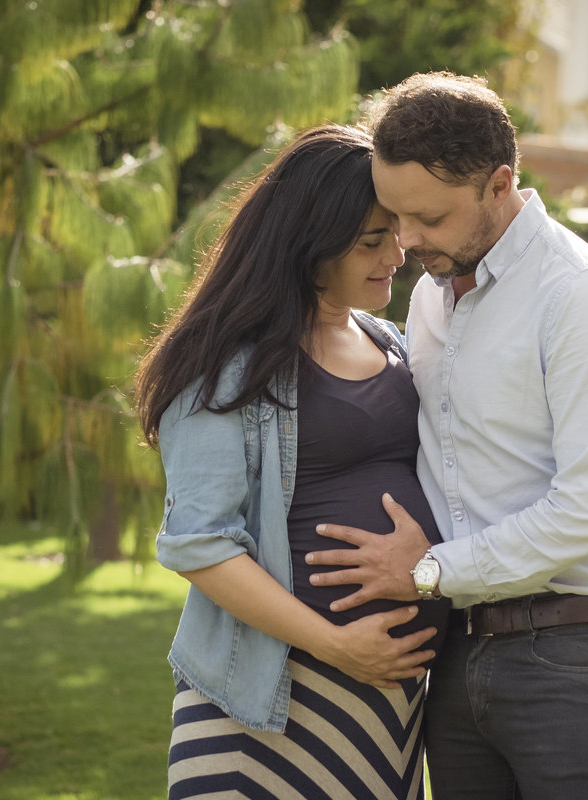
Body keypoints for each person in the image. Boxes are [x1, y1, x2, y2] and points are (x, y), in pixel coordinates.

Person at [306, 72, 588, 798]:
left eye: (428, 218)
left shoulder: (579, 297)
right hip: (459, 652)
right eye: (396, 216)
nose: (406, 241)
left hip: (576, 652)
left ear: (499, 186)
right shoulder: (434, 292)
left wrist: (430, 570)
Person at [134, 123, 451, 800]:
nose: (398, 253)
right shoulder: (225, 363)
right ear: (310, 241)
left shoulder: (393, 342)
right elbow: (201, 546)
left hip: (386, 711)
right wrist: (337, 645)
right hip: (262, 710)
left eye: (395, 230)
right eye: (373, 239)